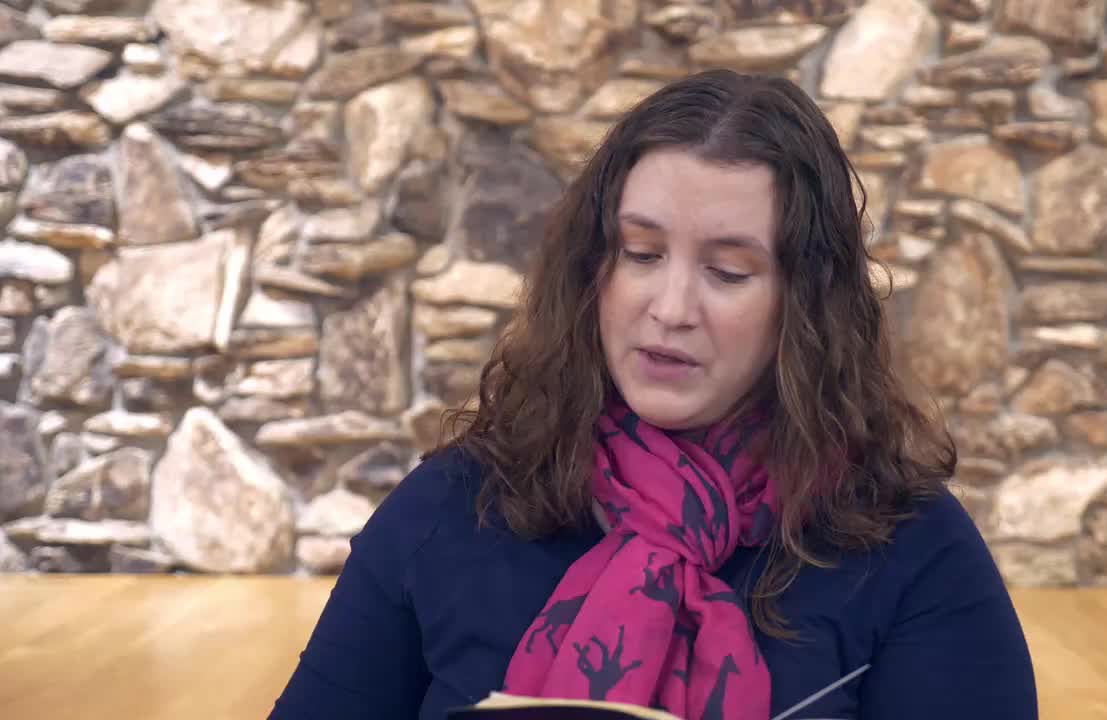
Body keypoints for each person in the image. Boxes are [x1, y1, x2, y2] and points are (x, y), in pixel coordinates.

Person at [269, 69, 1038, 720]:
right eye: (641, 254)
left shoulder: (910, 549)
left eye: (728, 271)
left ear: (804, 306)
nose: (670, 308)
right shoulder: (451, 507)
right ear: (592, 269)